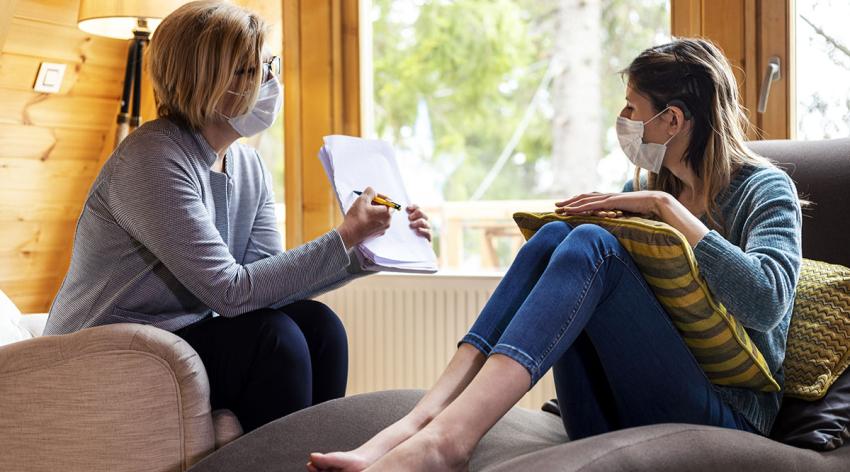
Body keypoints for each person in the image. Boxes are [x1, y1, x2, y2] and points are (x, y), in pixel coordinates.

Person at [308, 38, 802, 471]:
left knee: (595, 246)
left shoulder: (763, 190)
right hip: (609, 409)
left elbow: (767, 301)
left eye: (633, 108)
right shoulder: (644, 186)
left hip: (725, 417)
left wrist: (664, 207)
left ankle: (448, 441)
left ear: (672, 120)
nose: (624, 121)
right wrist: (646, 200)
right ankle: (422, 420)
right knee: (557, 237)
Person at [43, 1, 431, 433]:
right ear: (201, 82)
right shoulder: (153, 157)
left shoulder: (248, 166)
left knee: (321, 327)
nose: (269, 83)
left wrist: (365, 249)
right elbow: (230, 292)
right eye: (249, 72)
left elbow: (266, 285)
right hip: (103, 349)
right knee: (272, 340)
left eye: (269, 66)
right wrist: (343, 237)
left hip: (175, 341)